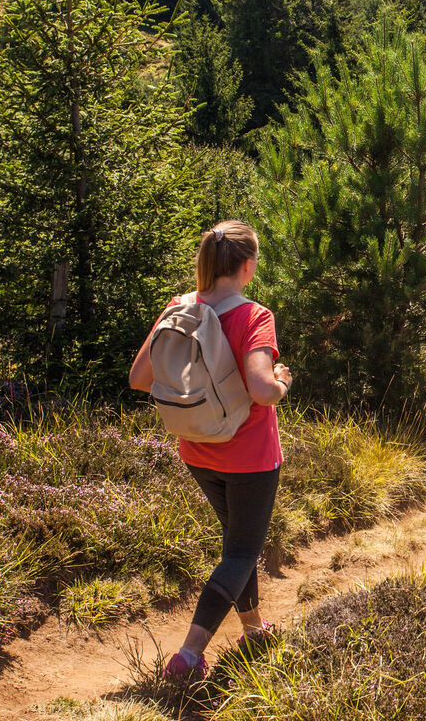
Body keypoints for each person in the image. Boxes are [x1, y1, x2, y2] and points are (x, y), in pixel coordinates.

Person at [128, 221, 292, 682]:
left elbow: (139, 378)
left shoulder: (177, 308)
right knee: (242, 550)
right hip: (250, 456)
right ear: (247, 266)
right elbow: (261, 390)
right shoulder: (254, 316)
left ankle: (255, 629)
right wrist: (282, 381)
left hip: (198, 450)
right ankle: (190, 653)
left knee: (237, 544)